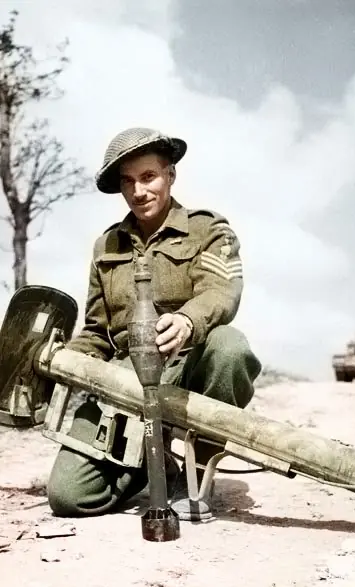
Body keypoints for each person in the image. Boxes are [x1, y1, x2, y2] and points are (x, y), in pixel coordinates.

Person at [47, 127, 262, 517]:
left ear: (170, 175)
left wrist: (186, 321)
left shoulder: (208, 230)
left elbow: (221, 293)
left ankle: (197, 474)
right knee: (69, 495)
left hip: (188, 367)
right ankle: (151, 461)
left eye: (149, 177)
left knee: (229, 347)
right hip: (126, 382)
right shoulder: (106, 246)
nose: (139, 191)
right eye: (128, 182)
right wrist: (63, 360)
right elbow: (96, 332)